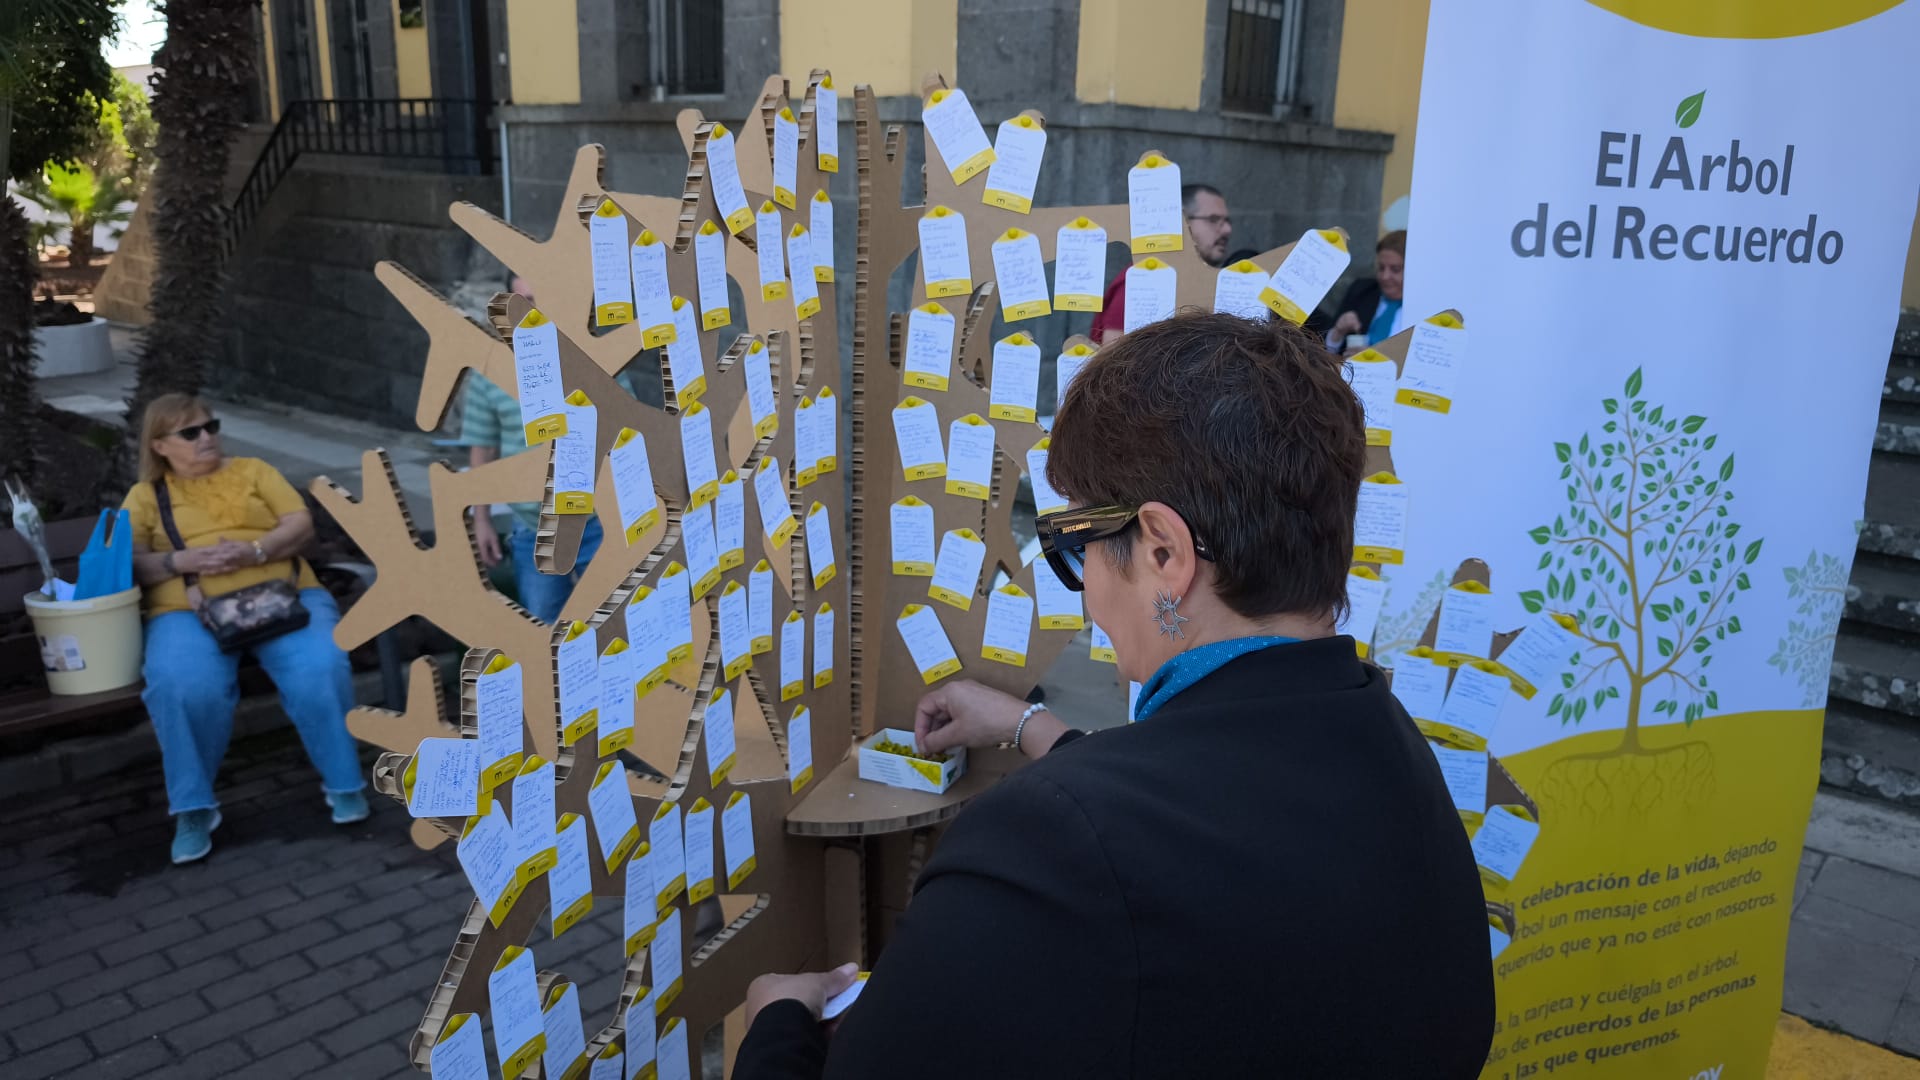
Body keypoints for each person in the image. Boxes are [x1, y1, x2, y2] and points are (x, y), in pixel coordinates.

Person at [735, 313, 1494, 1078]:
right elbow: (1210, 821)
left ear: (1164, 553)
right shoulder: (1397, 755)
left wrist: (776, 1024)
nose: (1087, 591)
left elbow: (1130, 850)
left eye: (1076, 545)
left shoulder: (1041, 849)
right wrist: (1032, 726)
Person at [123, 394, 368, 864]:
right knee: (181, 685)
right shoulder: (145, 496)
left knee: (319, 666)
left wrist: (256, 551)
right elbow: (130, 563)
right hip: (187, 611)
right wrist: (182, 561)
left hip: (284, 598)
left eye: (210, 426)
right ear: (159, 445)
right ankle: (194, 807)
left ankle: (344, 782)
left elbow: (300, 525)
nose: (206, 437)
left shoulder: (254, 471)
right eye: (190, 432)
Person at [463, 274, 614, 624]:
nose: (535, 311)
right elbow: (483, 448)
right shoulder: (490, 369)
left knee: (614, 627)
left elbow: (629, 432)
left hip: (598, 521)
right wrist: (481, 519)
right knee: (544, 630)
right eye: (525, 301)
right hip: (534, 528)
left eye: (541, 298)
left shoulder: (595, 357)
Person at [1089, 183, 1234, 343]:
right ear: (1182, 222)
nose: (1227, 229)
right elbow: (1114, 351)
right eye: (1213, 219)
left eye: (1227, 221)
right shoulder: (1144, 279)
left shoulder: (1197, 281)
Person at [1325, 228, 1407, 351]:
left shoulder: (1426, 310)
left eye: (1395, 269)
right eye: (1381, 268)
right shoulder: (1362, 291)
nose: (1385, 277)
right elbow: (1326, 352)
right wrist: (1337, 333)